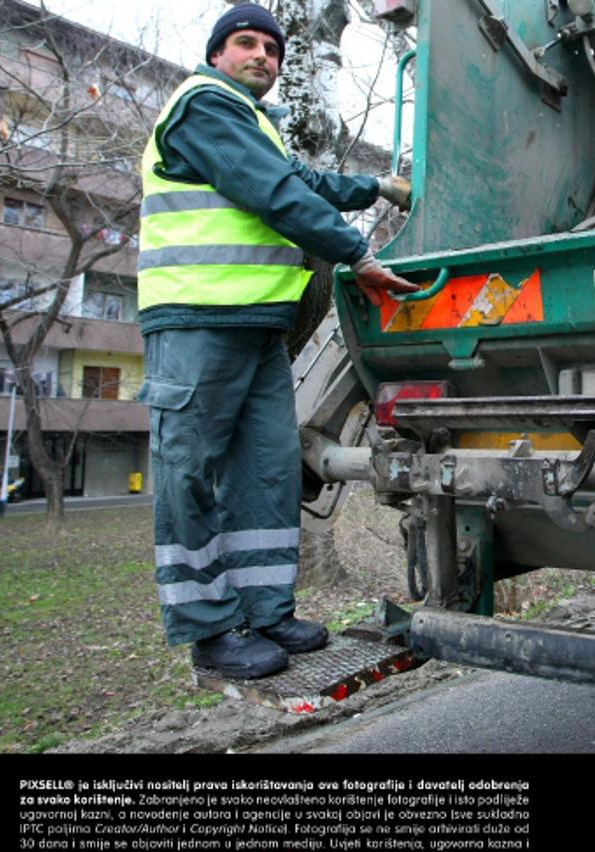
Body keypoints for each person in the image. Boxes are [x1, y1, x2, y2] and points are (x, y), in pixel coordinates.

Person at [136, 3, 417, 679]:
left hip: (257, 330)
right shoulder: (204, 105)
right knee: (191, 473)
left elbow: (299, 183)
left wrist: (379, 185)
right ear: (216, 55)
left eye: (272, 47)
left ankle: (265, 611)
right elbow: (271, 191)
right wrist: (355, 251)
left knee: (266, 472)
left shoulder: (251, 123)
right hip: (196, 322)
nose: (262, 55)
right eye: (245, 43)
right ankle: (210, 628)